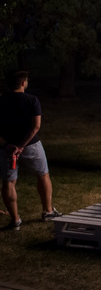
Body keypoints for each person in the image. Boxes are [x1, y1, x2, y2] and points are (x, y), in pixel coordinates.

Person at [0, 71, 62, 229]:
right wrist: (22, 145)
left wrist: (7, 145)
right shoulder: (31, 100)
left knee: (8, 182)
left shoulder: (1, 100)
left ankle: (15, 220)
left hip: (7, 147)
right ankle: (48, 211)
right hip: (31, 145)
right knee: (43, 174)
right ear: (23, 83)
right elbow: (36, 126)